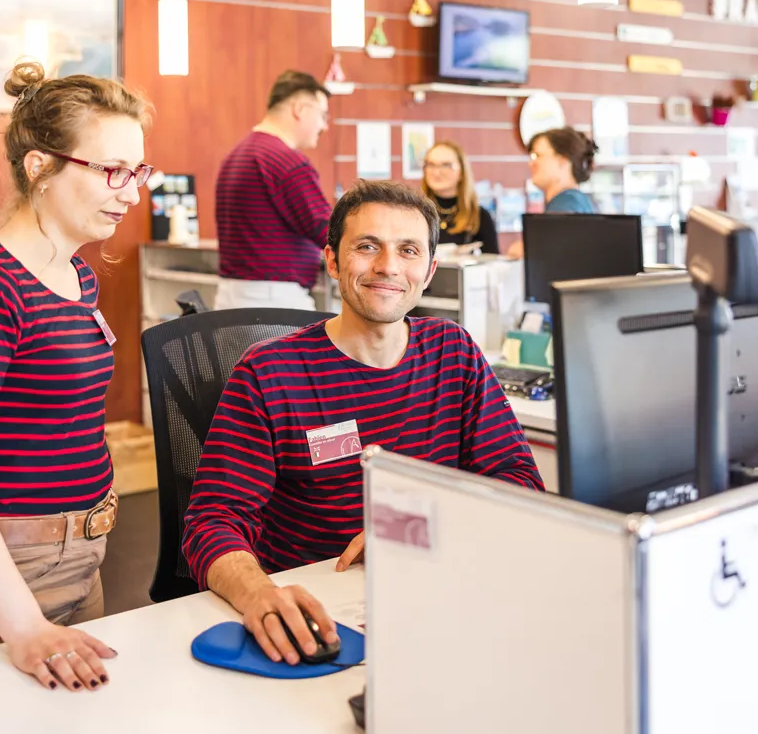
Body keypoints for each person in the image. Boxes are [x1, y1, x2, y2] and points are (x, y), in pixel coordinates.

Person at [181, 179, 545, 665]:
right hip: (315, 614)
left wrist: (414, 527)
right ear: (332, 261)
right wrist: (258, 595)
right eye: (367, 246)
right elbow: (213, 520)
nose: (388, 266)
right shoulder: (268, 372)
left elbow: (519, 482)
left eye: (408, 250)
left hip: (430, 598)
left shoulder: (454, 352)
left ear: (430, 270)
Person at [0, 61, 153, 692]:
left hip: (83, 558)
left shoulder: (76, 277)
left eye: (139, 171)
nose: (132, 192)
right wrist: (24, 627)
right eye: (113, 171)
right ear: (40, 166)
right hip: (3, 577)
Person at [213, 70, 333, 311]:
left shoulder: (237, 154)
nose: (324, 126)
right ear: (300, 109)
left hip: (230, 298)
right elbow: (327, 230)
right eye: (322, 115)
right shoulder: (286, 161)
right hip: (273, 302)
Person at [420, 140, 500, 254]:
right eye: (431, 165)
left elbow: (494, 264)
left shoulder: (479, 216)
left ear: (462, 172)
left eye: (446, 165)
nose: (436, 172)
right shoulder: (415, 213)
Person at [528, 127, 598, 214]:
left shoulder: (564, 207)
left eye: (538, 156)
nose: (531, 164)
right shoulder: (575, 202)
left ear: (563, 160)